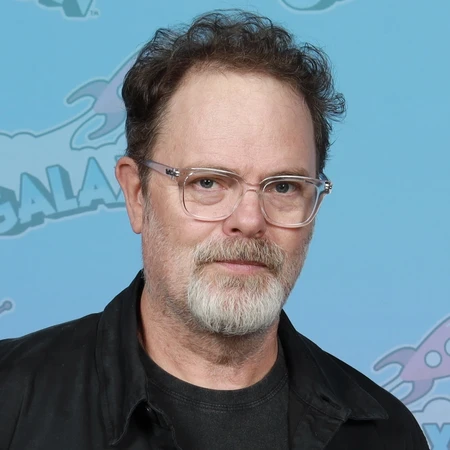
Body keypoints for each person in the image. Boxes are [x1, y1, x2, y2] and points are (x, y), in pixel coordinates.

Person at [0, 10, 428, 450]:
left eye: (283, 186)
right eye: (207, 182)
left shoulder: (387, 435)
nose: (249, 220)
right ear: (137, 195)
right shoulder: (10, 400)